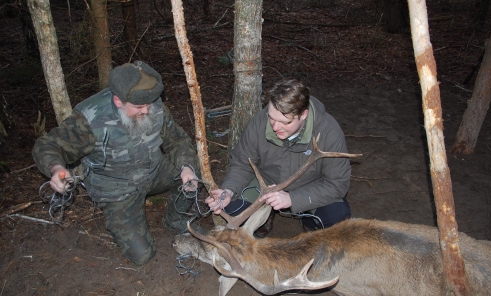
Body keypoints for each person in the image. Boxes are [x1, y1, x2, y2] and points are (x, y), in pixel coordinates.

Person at [32, 61, 200, 265]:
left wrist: (187, 169)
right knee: (142, 256)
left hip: (153, 172)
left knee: (189, 165)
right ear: (118, 101)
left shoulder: (152, 104)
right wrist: (56, 168)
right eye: (139, 107)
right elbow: (47, 146)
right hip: (117, 190)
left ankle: (175, 219)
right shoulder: (91, 118)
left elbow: (178, 141)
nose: (147, 110)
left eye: (148, 104)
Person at [206, 79, 351, 237]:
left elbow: (337, 184)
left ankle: (310, 222)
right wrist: (228, 190)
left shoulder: (329, 132)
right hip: (266, 183)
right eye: (272, 118)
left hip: (309, 185)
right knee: (232, 208)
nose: (275, 127)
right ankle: (264, 218)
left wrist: (293, 199)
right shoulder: (258, 124)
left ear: (304, 114)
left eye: (285, 122)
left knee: (337, 216)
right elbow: (242, 164)